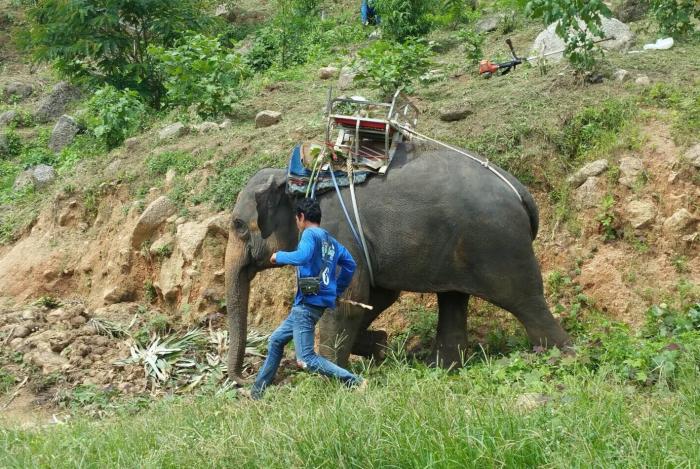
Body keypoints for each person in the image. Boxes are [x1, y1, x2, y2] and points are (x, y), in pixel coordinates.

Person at [249, 198, 364, 399]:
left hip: (307, 306)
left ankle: (354, 381)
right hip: (309, 304)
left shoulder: (309, 234)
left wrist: (279, 256)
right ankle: (257, 394)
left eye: (297, 219)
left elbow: (302, 257)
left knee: (307, 359)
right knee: (276, 341)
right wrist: (336, 289)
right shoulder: (330, 240)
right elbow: (350, 264)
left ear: (301, 217)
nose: (297, 223)